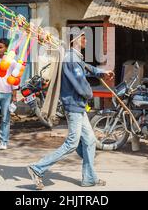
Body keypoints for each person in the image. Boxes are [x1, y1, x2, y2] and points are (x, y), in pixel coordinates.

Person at [27, 31, 114, 190]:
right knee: (72, 144)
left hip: (78, 106)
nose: (86, 40)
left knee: (90, 140)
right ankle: (37, 168)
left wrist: (102, 73)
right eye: (83, 37)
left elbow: (87, 68)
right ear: (74, 40)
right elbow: (81, 84)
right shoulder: (70, 59)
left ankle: (89, 178)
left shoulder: (75, 58)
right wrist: (90, 94)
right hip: (74, 106)